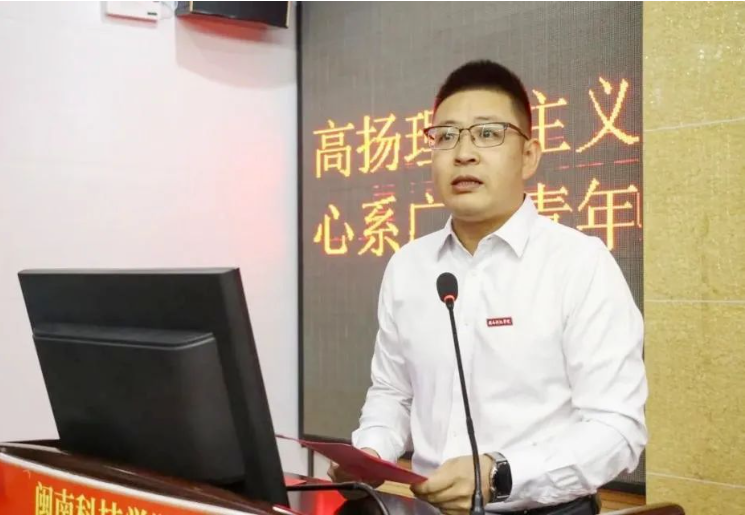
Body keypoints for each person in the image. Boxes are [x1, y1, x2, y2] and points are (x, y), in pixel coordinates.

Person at [328, 60, 647, 515]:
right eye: (446, 136)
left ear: (529, 155)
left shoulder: (579, 263)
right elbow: (392, 393)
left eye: (487, 134)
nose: (463, 153)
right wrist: (371, 452)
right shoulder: (408, 266)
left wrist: (501, 474)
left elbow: (617, 429)